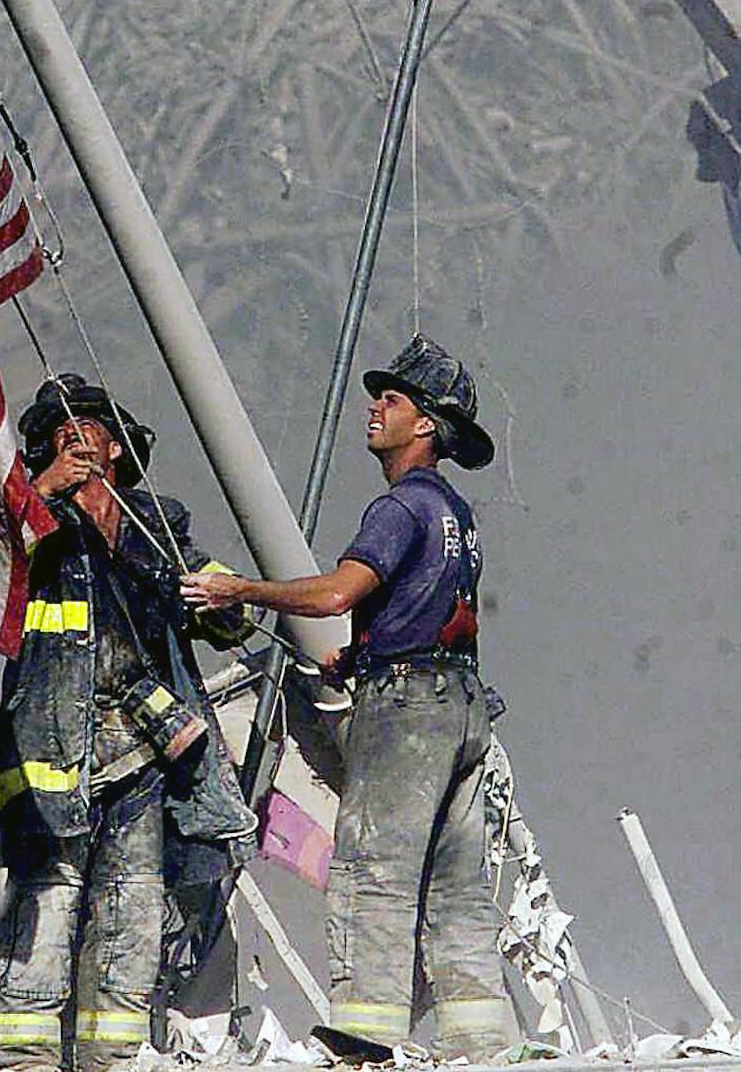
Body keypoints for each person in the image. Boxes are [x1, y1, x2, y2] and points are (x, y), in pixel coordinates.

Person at [182, 335, 511, 1061]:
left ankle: (367, 1030)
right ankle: (483, 1038)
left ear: (424, 424)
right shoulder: (457, 514)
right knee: (455, 879)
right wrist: (360, 654)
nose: (375, 407)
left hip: (407, 712)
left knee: (373, 870)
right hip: (460, 704)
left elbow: (337, 593)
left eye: (391, 399)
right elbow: (435, 607)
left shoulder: (399, 507)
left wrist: (238, 589)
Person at [0, 374, 258, 1072]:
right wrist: (42, 494)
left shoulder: (159, 526)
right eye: (57, 432)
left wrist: (221, 601)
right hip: (51, 742)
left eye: (86, 425)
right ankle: (24, 1059)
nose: (72, 435)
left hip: (144, 750)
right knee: (49, 900)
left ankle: (113, 1056)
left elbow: (230, 617)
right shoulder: (27, 524)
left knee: (134, 905)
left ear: (118, 447)